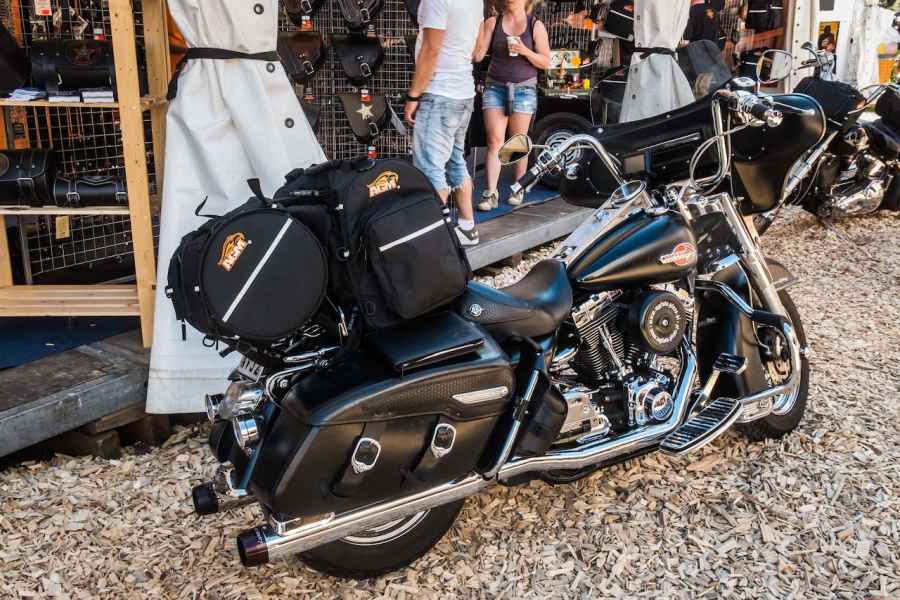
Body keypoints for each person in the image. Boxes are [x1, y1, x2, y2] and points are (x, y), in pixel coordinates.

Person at [405, 0, 485, 246]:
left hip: (439, 93)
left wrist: (414, 95)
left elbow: (431, 50)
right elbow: (478, 50)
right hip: (463, 92)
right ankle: (467, 229)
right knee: (455, 160)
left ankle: (434, 240)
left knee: (431, 169)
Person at [473, 0, 550, 211]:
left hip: (524, 89)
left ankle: (518, 187)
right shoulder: (493, 22)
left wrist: (525, 50)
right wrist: (476, 26)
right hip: (495, 87)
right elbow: (477, 55)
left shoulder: (535, 25)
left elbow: (545, 62)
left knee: (518, 142)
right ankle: (491, 192)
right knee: (494, 140)